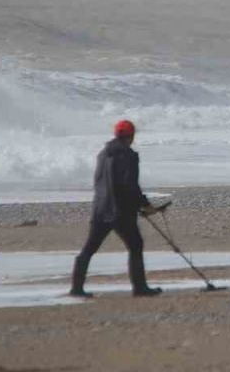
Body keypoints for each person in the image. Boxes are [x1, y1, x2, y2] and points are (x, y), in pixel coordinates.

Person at [70, 119, 165, 298]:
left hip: (100, 209)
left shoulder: (103, 154)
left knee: (89, 248)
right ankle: (140, 288)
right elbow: (130, 186)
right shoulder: (129, 156)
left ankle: (76, 288)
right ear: (131, 136)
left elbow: (102, 183)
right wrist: (144, 205)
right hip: (120, 212)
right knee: (136, 245)